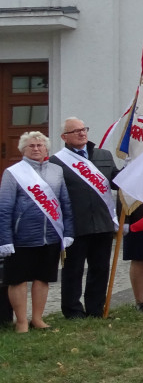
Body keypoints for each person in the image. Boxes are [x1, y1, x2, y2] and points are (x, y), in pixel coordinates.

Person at [0, 131, 74, 332]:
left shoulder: (56, 171)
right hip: (21, 238)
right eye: (31, 146)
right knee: (18, 280)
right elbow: (4, 207)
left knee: (43, 278)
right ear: (23, 149)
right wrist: (4, 239)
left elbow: (65, 203)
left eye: (40, 145)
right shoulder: (13, 172)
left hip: (50, 236)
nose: (36, 149)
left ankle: (38, 319)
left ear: (46, 149)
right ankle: (22, 321)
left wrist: (68, 232)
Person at [51, 118, 118, 319]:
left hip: (102, 223)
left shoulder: (103, 156)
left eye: (84, 129)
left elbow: (116, 181)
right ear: (64, 137)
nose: (82, 133)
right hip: (75, 226)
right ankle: (73, 311)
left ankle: (96, 309)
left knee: (100, 269)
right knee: (73, 271)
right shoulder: (56, 162)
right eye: (76, 131)